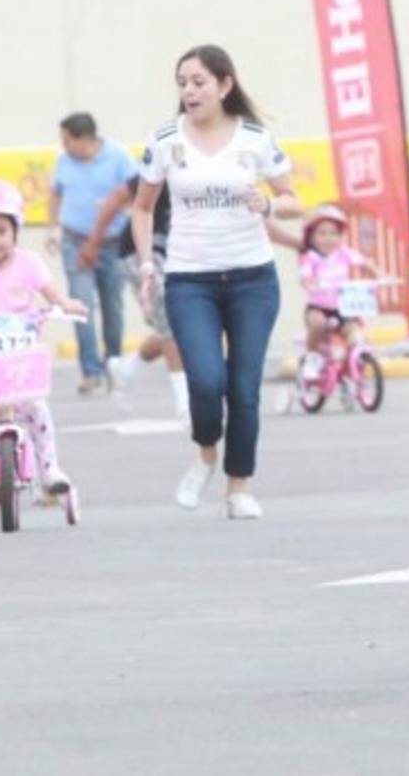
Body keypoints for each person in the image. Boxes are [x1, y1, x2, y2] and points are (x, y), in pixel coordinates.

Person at [132, 44, 301, 519]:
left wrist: (268, 204)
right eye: (183, 82)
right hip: (190, 280)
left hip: (253, 279)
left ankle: (239, 486)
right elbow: (142, 208)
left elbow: (293, 199)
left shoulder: (254, 137)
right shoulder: (166, 140)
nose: (189, 90)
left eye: (199, 81)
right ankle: (206, 450)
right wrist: (148, 265)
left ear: (225, 85)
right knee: (206, 381)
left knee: (243, 388)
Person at [0, 179, 88, 494]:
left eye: (1, 231)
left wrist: (65, 305)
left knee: (35, 407)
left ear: (15, 231)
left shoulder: (29, 262)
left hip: (23, 347)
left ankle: (50, 469)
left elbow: (52, 295)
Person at [78, 174, 188, 419]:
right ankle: (185, 402)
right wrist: (94, 242)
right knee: (170, 322)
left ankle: (127, 369)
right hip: (140, 253)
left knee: (184, 325)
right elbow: (117, 198)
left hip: (177, 256)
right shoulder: (167, 167)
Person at [48, 112, 134, 394]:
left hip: (112, 242)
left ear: (84, 139)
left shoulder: (118, 157)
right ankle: (90, 371)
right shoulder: (64, 161)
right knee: (80, 306)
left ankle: (113, 365)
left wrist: (114, 208)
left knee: (113, 306)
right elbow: (55, 193)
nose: (63, 146)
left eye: (67, 140)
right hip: (74, 241)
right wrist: (52, 227)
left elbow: (136, 192)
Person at [298, 204, 377, 380]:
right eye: (322, 233)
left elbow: (364, 263)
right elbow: (304, 276)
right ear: (311, 237)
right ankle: (312, 357)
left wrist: (377, 274)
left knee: (354, 331)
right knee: (317, 324)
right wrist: (309, 281)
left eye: (334, 233)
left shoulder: (344, 254)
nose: (329, 238)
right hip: (318, 307)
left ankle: (353, 368)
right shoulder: (311, 258)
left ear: (341, 236)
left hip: (343, 307)